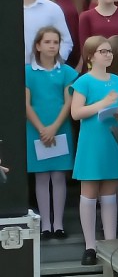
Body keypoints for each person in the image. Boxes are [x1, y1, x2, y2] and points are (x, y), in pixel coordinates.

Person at [70, 35, 118, 266]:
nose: (108, 55)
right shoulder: (84, 81)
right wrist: (103, 104)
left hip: (112, 138)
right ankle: (90, 245)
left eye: (109, 51)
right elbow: (76, 113)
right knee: (89, 190)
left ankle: (110, 243)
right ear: (91, 56)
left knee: (110, 191)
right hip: (92, 140)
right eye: (102, 51)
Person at [25, 26, 78, 240]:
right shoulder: (28, 71)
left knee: (58, 176)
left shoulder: (66, 72)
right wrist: (41, 128)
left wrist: (55, 127)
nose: (52, 46)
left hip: (60, 128)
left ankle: (58, 224)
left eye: (55, 42)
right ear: (38, 45)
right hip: (36, 129)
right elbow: (26, 104)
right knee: (41, 177)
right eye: (47, 42)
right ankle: (45, 224)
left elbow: (68, 102)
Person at [16, 0, 73, 64]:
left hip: (45, 73)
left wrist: (54, 64)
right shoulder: (5, 9)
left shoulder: (52, 8)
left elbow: (66, 41)